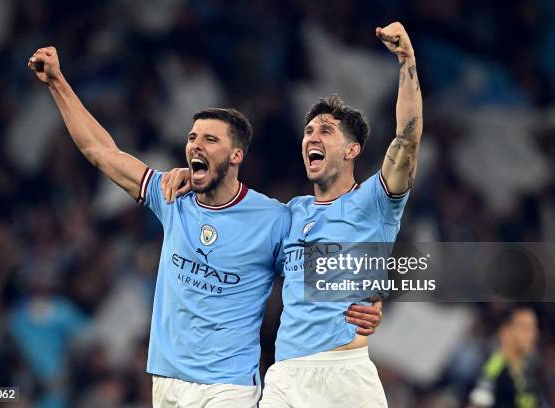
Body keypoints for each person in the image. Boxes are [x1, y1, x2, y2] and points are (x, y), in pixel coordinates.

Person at [27, 47, 381, 408]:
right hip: (166, 379)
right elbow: (100, 151)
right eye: (192, 138)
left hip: (228, 388)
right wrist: (57, 82)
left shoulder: (274, 219)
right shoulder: (171, 196)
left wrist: (372, 295)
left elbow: (328, 257)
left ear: (236, 156)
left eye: (210, 140)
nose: (196, 145)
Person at [162, 21, 422, 407]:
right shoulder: (289, 215)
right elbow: (232, 215)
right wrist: (193, 174)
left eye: (326, 131)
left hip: (345, 374)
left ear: (352, 150)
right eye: (308, 131)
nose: (312, 138)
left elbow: (407, 138)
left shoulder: (375, 202)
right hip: (286, 376)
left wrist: (406, 60)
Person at [468, 306, 541, 408]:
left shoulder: (528, 372)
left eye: (534, 328)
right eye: (525, 328)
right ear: (505, 332)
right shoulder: (493, 366)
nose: (533, 334)